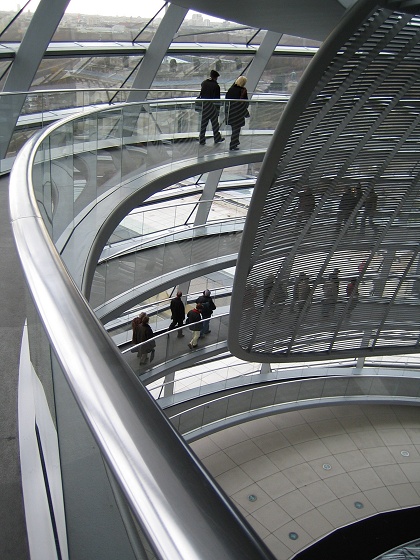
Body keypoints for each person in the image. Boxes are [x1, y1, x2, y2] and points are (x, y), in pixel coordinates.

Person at [198, 69, 224, 145]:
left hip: (205, 106)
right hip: (212, 108)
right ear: (216, 77)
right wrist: (218, 110)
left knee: (203, 125)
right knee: (215, 125)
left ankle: (202, 139)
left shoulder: (204, 83)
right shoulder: (216, 86)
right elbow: (217, 100)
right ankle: (217, 138)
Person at [225, 76, 249, 151]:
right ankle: (233, 144)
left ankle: (234, 143)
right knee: (237, 129)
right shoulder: (243, 90)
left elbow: (227, 101)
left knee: (234, 128)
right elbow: (245, 103)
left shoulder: (231, 89)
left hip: (231, 112)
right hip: (239, 112)